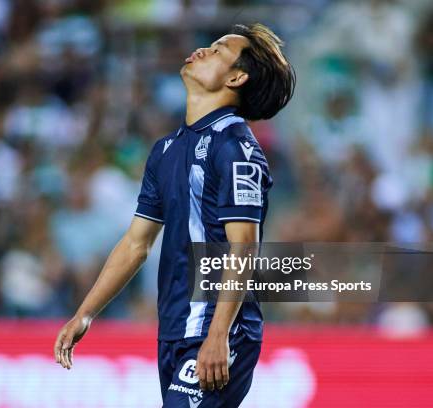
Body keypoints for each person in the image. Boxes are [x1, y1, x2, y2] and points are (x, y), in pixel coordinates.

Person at [54, 23, 295, 407]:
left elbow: (244, 247)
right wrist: (84, 314)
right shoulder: (166, 149)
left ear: (237, 76)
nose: (203, 50)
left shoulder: (237, 149)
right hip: (174, 328)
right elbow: (136, 244)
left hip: (218, 329)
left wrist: (219, 334)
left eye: (218, 50)